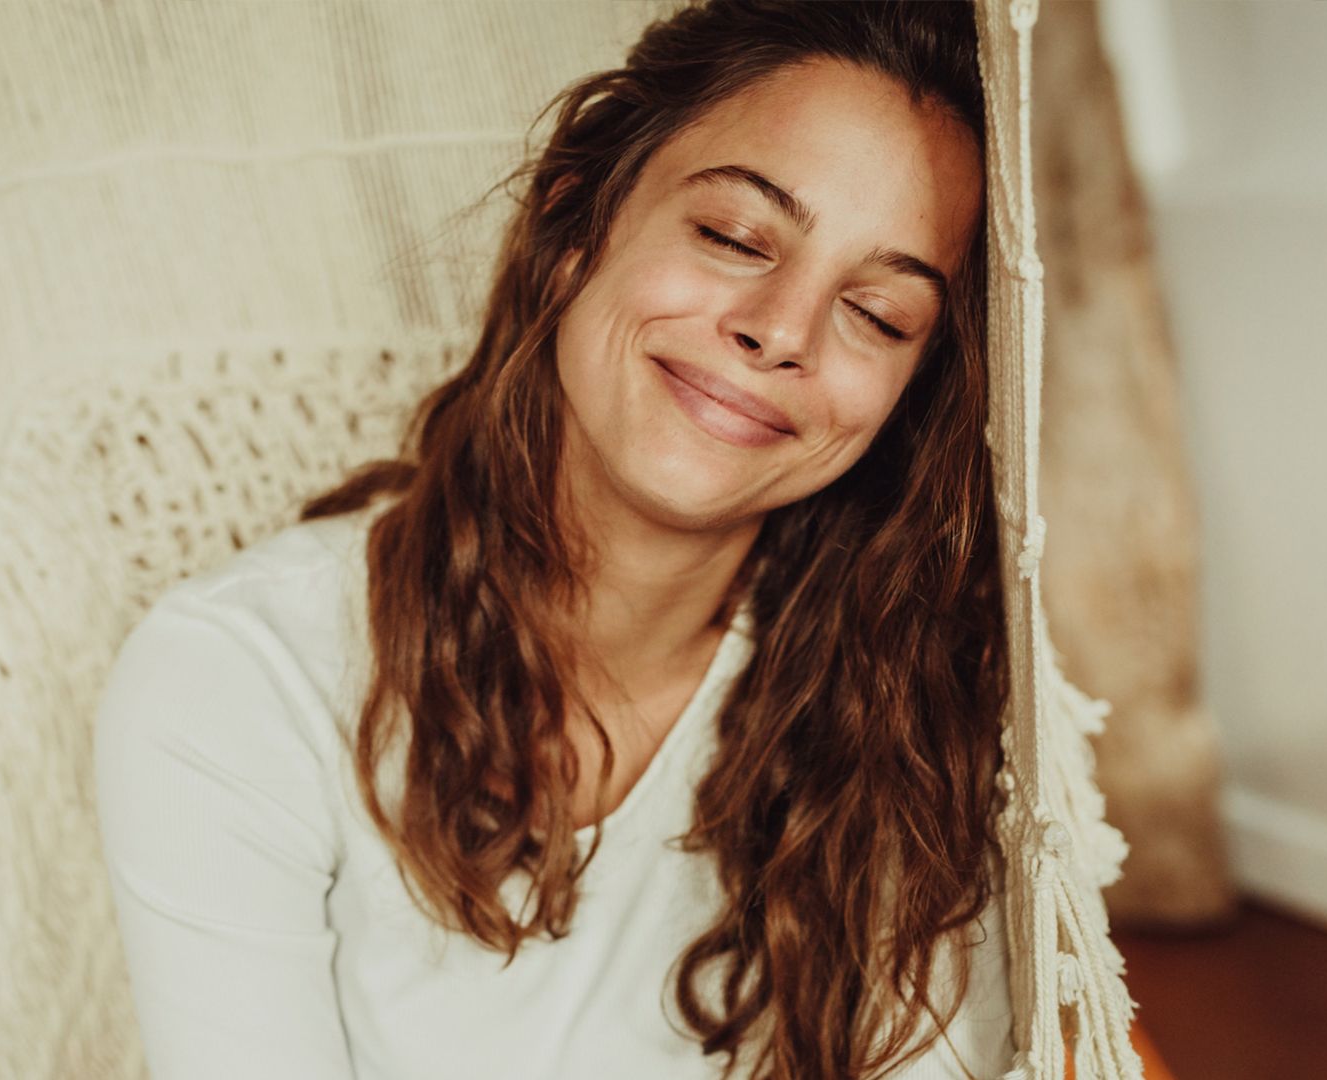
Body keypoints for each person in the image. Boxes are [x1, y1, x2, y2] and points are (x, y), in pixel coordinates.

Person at [93, 2, 1015, 1077]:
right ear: (578, 222)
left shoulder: (922, 714)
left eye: (880, 313)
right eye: (732, 237)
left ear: (913, 393)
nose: (781, 330)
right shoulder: (241, 679)